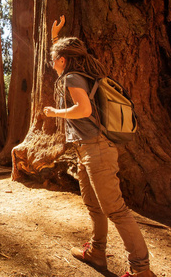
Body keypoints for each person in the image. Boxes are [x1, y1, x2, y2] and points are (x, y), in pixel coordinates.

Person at [44, 16, 156, 277]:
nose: (52, 63)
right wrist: (54, 37)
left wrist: (55, 113)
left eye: (54, 58)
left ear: (62, 60)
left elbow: (82, 109)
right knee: (93, 205)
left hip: (96, 150)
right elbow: (64, 53)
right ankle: (96, 252)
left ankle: (141, 270)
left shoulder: (72, 77)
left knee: (116, 209)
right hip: (85, 149)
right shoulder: (78, 72)